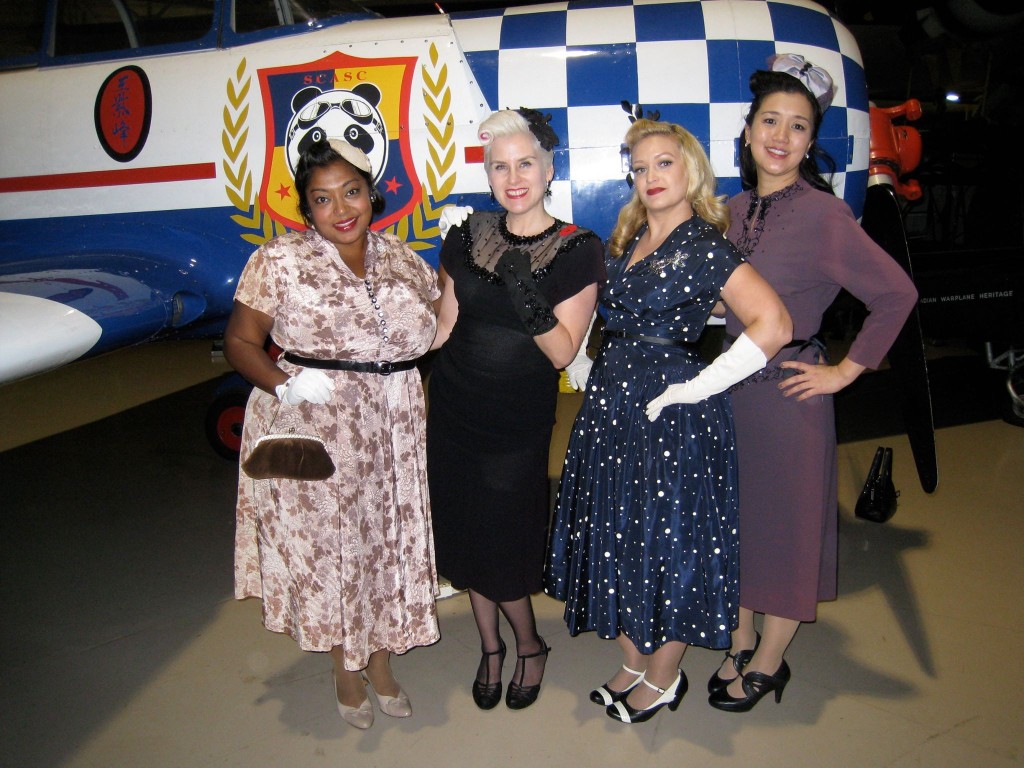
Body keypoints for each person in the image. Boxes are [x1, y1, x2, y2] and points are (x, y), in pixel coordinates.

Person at [545, 118, 792, 724]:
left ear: (690, 172)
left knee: (669, 541)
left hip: (673, 415)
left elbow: (775, 324)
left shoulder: (707, 244)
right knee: (616, 535)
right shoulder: (626, 240)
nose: (649, 176)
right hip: (612, 408)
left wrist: (700, 386)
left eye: (663, 163)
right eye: (639, 167)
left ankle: (664, 675)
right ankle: (634, 659)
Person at [707, 55, 918, 712]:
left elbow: (897, 293)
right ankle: (739, 634)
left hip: (787, 394)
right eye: (771, 120)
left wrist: (843, 372)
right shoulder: (730, 209)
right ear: (748, 131)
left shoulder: (825, 215)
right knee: (736, 523)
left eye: (798, 126)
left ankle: (771, 661)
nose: (781, 135)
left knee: (787, 529)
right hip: (727, 391)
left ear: (809, 140)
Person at [225, 138, 441, 730]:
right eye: (322, 200)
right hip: (317, 425)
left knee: (382, 545)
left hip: (393, 429)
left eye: (351, 192)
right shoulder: (278, 260)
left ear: (371, 193)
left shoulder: (400, 256)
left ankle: (380, 660)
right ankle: (346, 671)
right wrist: (283, 385)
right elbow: (240, 343)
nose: (341, 209)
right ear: (306, 210)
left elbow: (445, 319)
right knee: (333, 549)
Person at [428, 108, 605, 711]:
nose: (513, 176)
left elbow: (561, 352)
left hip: (516, 419)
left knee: (502, 537)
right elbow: (443, 327)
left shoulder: (578, 248)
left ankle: (529, 645)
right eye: (499, 166)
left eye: (525, 163)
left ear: (549, 168)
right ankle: (490, 647)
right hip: (454, 407)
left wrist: (521, 281)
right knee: (465, 532)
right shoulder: (466, 233)